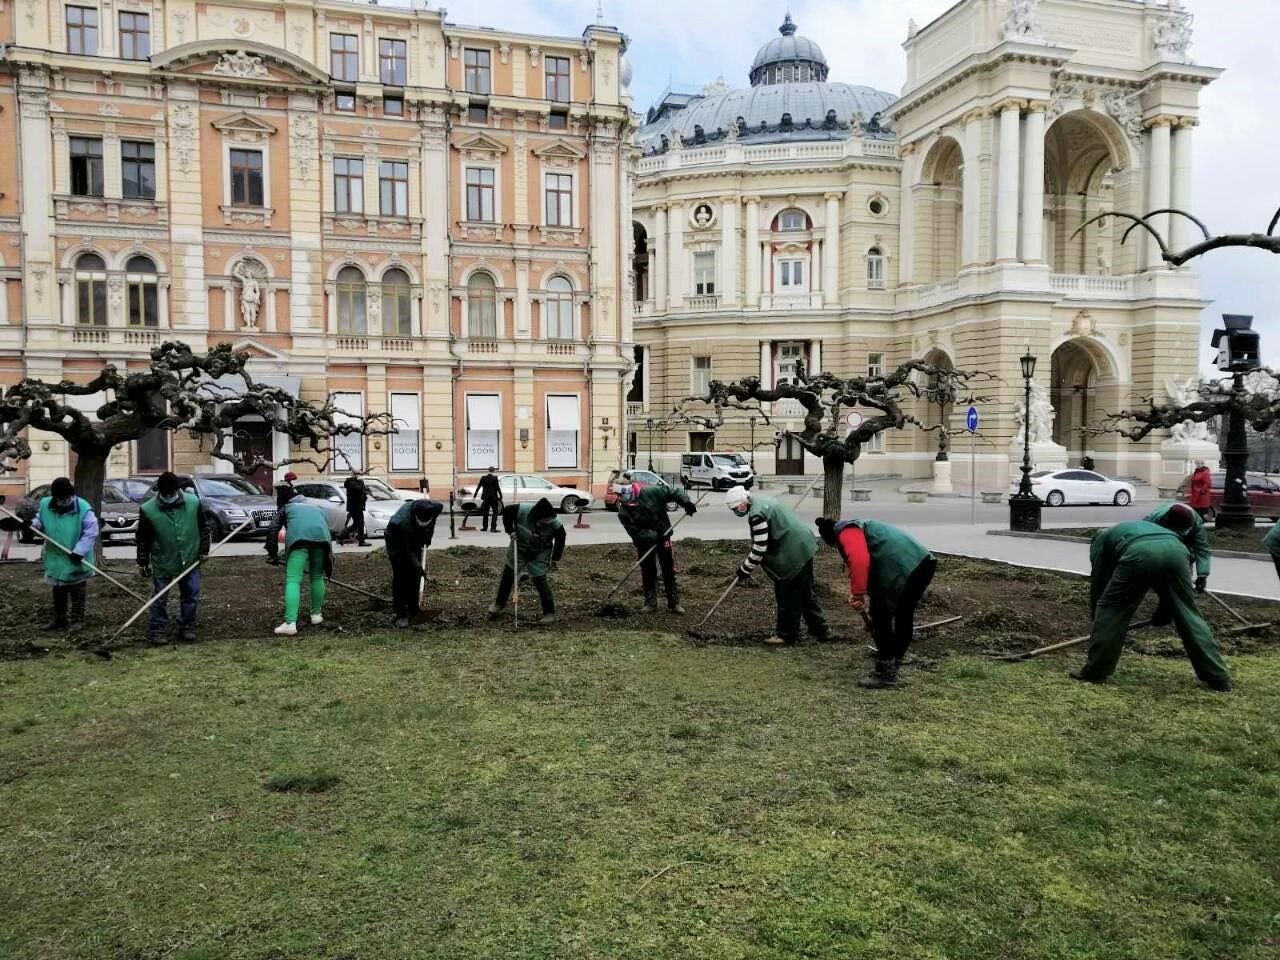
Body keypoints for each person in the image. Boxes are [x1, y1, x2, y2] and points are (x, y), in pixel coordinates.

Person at [1074, 513, 1230, 691]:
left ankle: (1096, 671)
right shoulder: (1141, 528)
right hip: (1178, 551)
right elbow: (1167, 590)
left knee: (1112, 609)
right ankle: (1217, 677)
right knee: (1188, 612)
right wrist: (1164, 612)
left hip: (1139, 553)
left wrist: (1098, 618)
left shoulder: (1101, 540)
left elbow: (1100, 580)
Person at [816, 517, 936, 688]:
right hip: (920, 563)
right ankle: (892, 661)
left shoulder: (846, 532)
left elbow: (859, 560)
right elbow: (874, 569)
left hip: (906, 566)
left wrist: (858, 595)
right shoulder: (860, 527)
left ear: (832, 538)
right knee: (901, 614)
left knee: (884, 616)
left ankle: (886, 671)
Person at [725, 486, 830, 646]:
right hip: (804, 545)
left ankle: (786, 635)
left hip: (793, 553)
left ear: (743, 502)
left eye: (735, 508)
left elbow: (760, 547)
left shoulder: (757, 515)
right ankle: (821, 630)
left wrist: (744, 570)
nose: (736, 512)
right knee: (804, 593)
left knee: (787, 594)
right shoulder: (761, 500)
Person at [136, 471, 211, 644]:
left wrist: (204, 550)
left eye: (172, 493)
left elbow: (204, 528)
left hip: (190, 557)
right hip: (163, 559)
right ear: (159, 492)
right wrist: (143, 561)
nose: (169, 497)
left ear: (178, 490)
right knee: (159, 597)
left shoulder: (193, 503)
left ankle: (187, 626)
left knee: (191, 593)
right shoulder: (148, 509)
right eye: (165, 494)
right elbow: (143, 538)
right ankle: (158, 629)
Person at [29, 476, 98, 634]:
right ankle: (59, 619)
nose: (64, 500)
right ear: (55, 497)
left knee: (77, 590)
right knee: (58, 589)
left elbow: (91, 532)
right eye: (61, 498)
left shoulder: (83, 507)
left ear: (71, 494)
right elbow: (39, 521)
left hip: (76, 557)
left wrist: (80, 551)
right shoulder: (45, 504)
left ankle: (77, 620)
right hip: (56, 556)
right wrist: (30, 525)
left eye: (67, 497)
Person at [616, 479, 696, 614]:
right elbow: (634, 532)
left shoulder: (651, 492)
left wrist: (685, 502)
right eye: (618, 495)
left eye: (623, 493)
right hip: (644, 542)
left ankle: (674, 602)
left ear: (631, 489)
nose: (621, 497)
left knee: (668, 569)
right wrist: (652, 535)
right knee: (648, 570)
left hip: (663, 536)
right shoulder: (623, 511)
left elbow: (673, 492)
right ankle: (650, 603)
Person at [265, 487, 333, 636]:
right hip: (322, 542)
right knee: (316, 576)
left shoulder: (287, 508)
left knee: (293, 580)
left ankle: (290, 623)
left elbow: (273, 529)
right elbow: (324, 527)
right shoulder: (317, 508)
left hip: (299, 542)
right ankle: (316, 615)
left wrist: (272, 553)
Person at [488, 497, 565, 624]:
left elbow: (561, 537)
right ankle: (498, 605)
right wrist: (510, 530)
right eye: (544, 521)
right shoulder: (521, 510)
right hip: (519, 547)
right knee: (508, 575)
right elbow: (506, 511)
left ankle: (549, 613)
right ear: (537, 516)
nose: (547, 523)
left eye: (549, 521)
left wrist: (555, 558)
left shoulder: (555, 522)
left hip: (540, 552)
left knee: (540, 579)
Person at [384, 497, 445, 628]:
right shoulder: (402, 523)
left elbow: (432, 521)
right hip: (396, 539)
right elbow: (408, 550)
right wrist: (418, 566)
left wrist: (428, 537)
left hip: (415, 535)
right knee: (401, 574)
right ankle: (400, 613)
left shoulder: (436, 507)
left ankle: (414, 610)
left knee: (414, 576)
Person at [1145, 500, 1211, 593]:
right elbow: (1146, 542)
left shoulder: (1196, 524)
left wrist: (1202, 575)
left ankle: (1182, 591)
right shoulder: (1155, 519)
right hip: (1161, 540)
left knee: (1183, 580)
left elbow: (1202, 549)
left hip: (1185, 545)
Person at [342, 471, 370, 546]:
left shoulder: (356, 482)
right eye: (359, 474)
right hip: (355, 507)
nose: (361, 476)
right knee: (360, 524)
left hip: (357, 507)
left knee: (356, 524)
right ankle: (361, 541)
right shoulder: (351, 483)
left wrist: (365, 492)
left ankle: (342, 535)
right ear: (355, 475)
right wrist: (361, 483)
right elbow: (358, 490)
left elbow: (362, 492)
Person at [477, 466, 503, 533]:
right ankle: (493, 528)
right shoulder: (495, 478)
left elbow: (479, 486)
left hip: (486, 497)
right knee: (495, 512)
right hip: (493, 498)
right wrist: (501, 496)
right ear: (494, 471)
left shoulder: (483, 478)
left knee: (485, 512)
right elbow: (498, 488)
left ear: (488, 470)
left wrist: (475, 495)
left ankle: (485, 527)